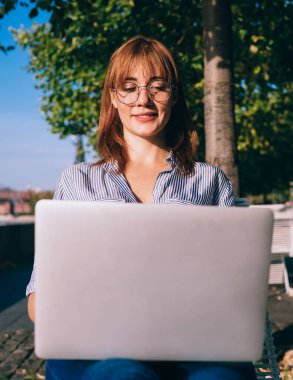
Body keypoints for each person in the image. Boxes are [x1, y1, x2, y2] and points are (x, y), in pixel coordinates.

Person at [26, 36, 257, 379]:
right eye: (129, 87)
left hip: (196, 344)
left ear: (174, 96)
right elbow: (38, 299)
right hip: (98, 345)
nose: (143, 99)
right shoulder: (77, 181)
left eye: (158, 87)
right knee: (122, 375)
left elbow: (238, 291)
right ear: (113, 97)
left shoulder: (209, 180)